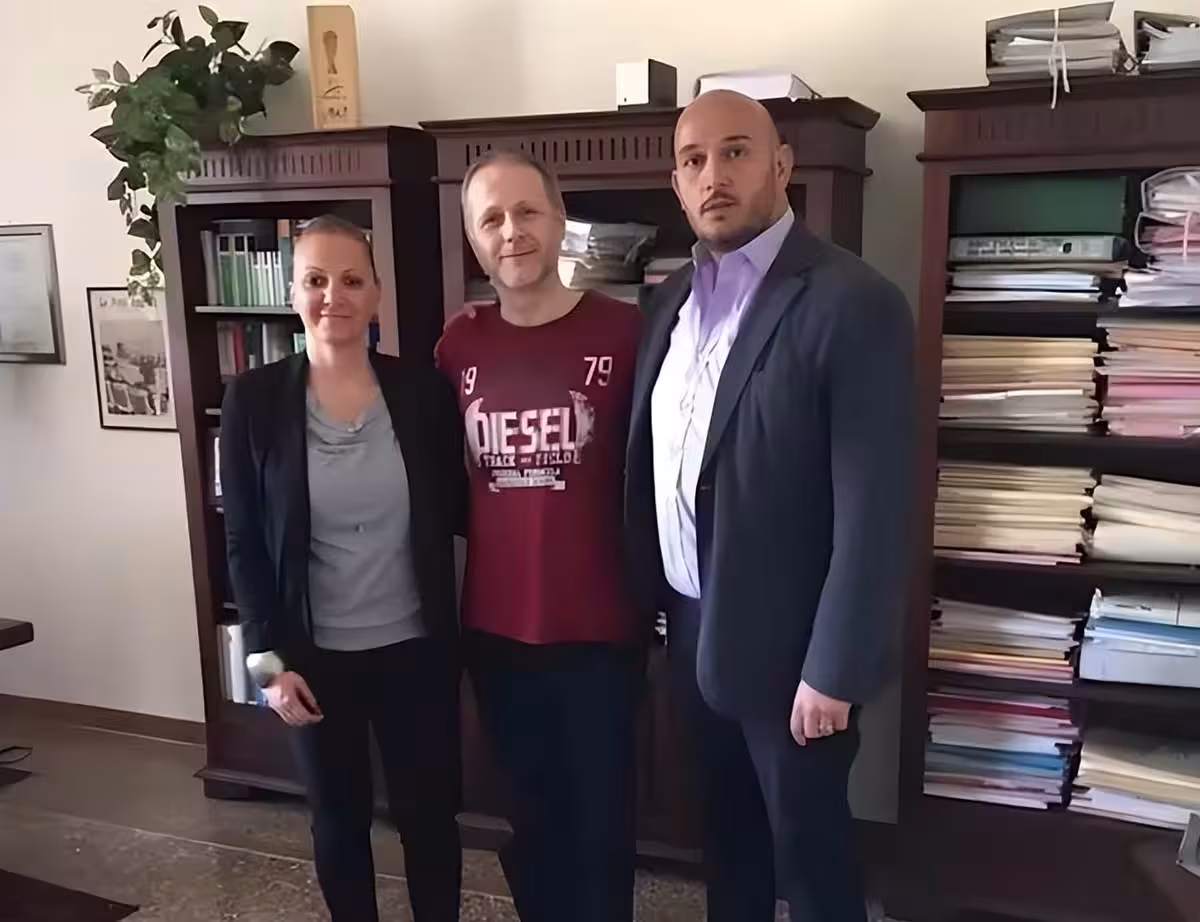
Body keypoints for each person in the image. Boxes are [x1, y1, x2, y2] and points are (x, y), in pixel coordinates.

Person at [624, 90, 915, 922]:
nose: (713, 175)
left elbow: (875, 509)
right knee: (729, 853)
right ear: (676, 184)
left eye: (736, 152)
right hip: (691, 633)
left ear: (781, 165)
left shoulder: (852, 300)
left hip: (795, 656)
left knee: (812, 867)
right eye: (693, 160)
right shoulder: (669, 303)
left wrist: (835, 670)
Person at [220, 215, 465, 922]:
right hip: (311, 660)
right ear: (292, 293)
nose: (334, 296)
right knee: (338, 821)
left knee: (430, 820)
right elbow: (243, 543)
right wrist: (266, 666)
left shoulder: (423, 393)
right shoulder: (254, 400)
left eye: (352, 280)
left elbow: (460, 506)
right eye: (316, 280)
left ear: (377, 294)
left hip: (415, 651)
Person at [435, 149, 644, 922]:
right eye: (490, 219)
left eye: (526, 212)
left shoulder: (627, 332)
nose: (511, 231)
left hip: (600, 630)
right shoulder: (457, 346)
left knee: (604, 826)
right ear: (473, 239)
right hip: (496, 633)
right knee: (531, 824)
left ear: (558, 222)